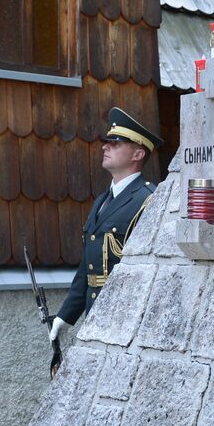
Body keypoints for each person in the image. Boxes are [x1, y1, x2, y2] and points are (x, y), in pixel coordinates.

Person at [48, 107, 161, 343]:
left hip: (126, 320)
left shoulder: (148, 200)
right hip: (95, 316)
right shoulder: (102, 201)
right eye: (107, 142)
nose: (104, 146)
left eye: (116, 143)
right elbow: (88, 268)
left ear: (138, 154)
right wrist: (67, 315)